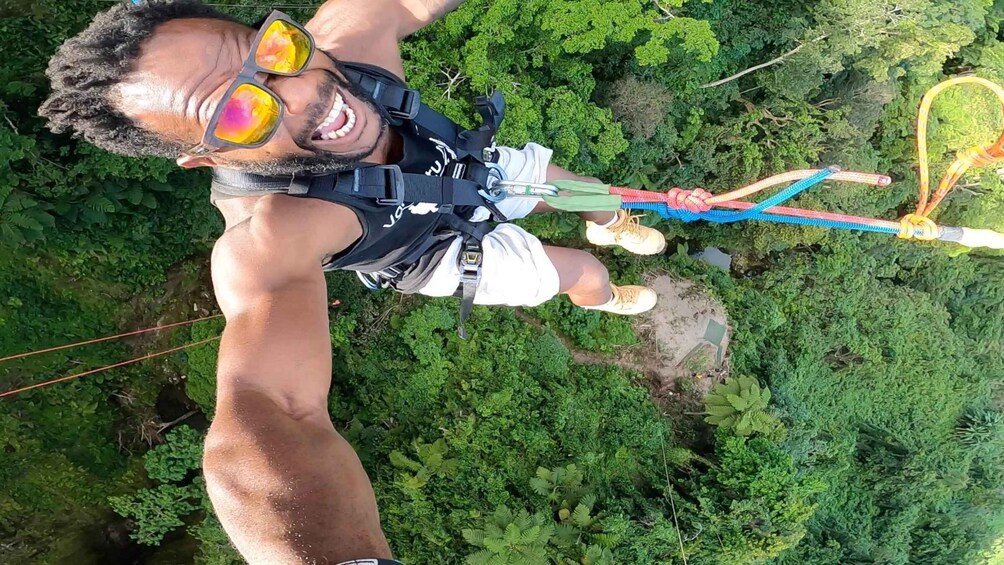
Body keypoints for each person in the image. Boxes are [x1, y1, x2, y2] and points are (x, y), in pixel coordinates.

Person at [39, 1, 668, 562]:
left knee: (584, 190)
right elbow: (268, 411)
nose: (304, 93)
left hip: (464, 170)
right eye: (238, 111)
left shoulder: (352, 44)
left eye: (273, 54)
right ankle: (609, 296)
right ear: (211, 158)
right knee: (581, 273)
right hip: (435, 251)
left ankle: (612, 221)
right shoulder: (273, 233)